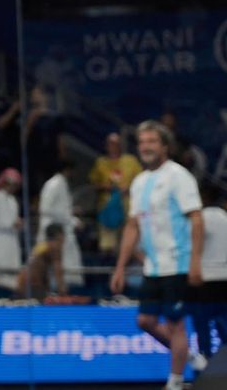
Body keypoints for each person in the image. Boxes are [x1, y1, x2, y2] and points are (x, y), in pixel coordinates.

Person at [110, 120, 204, 390]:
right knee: (145, 321)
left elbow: (196, 220)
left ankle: (175, 382)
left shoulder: (178, 175)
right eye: (141, 142)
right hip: (152, 267)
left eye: (152, 141)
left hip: (178, 264)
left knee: (176, 325)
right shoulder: (139, 181)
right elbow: (133, 226)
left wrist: (195, 263)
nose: (146, 147)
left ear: (164, 146)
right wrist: (120, 267)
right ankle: (190, 356)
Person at [92, 131, 142, 256]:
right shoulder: (100, 163)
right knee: (108, 246)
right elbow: (93, 184)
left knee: (130, 242)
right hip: (107, 208)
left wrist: (129, 188)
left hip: (129, 207)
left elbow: (142, 180)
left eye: (116, 144)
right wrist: (105, 186)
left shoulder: (131, 161)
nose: (113, 146)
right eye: (111, 144)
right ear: (106, 146)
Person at [193, 184, 227, 365]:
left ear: (203, 199)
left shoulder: (200, 220)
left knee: (203, 327)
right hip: (224, 279)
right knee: (224, 324)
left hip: (205, 280)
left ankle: (205, 362)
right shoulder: (226, 218)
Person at [36, 159, 84, 282]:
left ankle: (67, 289)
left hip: (62, 229)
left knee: (68, 261)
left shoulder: (61, 183)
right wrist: (72, 220)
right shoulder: (55, 184)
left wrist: (71, 212)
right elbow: (45, 208)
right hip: (53, 231)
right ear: (68, 170)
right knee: (55, 261)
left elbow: (60, 208)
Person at [18, 224, 68, 301]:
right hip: (33, 287)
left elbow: (41, 270)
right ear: (59, 236)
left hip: (22, 285)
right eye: (64, 236)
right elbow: (58, 272)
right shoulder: (55, 247)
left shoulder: (42, 245)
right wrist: (64, 294)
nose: (64, 239)